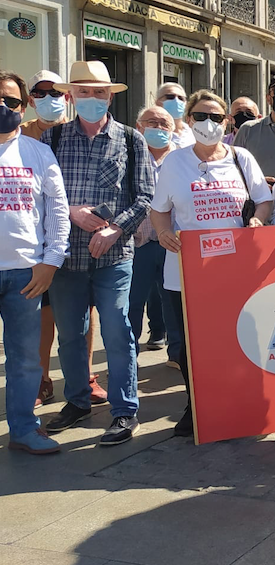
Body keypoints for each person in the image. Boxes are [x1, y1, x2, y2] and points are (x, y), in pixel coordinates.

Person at [42, 61, 154, 446]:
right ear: (72, 96)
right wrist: (71, 212)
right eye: (85, 92)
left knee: (118, 332)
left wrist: (114, 228)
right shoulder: (52, 140)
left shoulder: (129, 140)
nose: (93, 99)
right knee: (71, 334)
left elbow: (144, 196)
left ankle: (125, 410)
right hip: (65, 256)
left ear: (110, 96)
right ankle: (77, 400)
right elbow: (41, 196)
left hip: (114, 256)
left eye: (100, 92)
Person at [150, 89, 273, 436]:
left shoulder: (241, 158)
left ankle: (241, 403)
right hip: (187, 271)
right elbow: (160, 210)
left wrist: (258, 221)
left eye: (216, 117)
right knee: (193, 344)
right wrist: (162, 234)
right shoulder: (175, 162)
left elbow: (263, 201)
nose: (209, 124)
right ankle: (196, 406)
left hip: (236, 270)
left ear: (227, 122)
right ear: (189, 120)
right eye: (201, 116)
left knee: (238, 339)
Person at [20, 70, 104, 407]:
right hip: (35, 242)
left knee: (84, 314)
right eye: (41, 93)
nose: (50, 99)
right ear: (30, 100)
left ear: (68, 97)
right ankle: (41, 379)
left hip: (79, 241)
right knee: (40, 315)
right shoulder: (20, 135)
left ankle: (85, 376)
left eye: (57, 92)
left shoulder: (80, 131)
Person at [0, 70, 70, 454]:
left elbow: (57, 211)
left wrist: (51, 261)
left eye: (11, 101)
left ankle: (24, 429)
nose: (3, 107)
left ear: (23, 106)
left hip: (26, 273)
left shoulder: (38, 152)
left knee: (25, 358)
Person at [128, 106, 176, 355]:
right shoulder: (129, 155)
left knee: (172, 302)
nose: (158, 128)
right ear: (139, 127)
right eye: (151, 122)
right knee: (132, 302)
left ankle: (177, 356)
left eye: (164, 124)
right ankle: (129, 354)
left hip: (174, 243)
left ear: (173, 129)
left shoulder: (183, 159)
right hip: (139, 242)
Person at [156, 82, 193, 148]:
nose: (176, 100)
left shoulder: (194, 132)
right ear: (158, 102)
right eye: (170, 97)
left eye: (181, 98)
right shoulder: (150, 132)